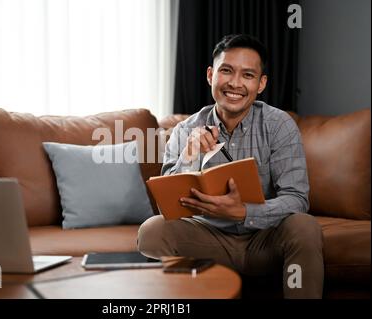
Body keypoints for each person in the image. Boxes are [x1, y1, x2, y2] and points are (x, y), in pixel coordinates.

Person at [137, 34, 324, 299]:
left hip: (265, 240)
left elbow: (297, 199)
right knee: (152, 231)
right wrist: (189, 155)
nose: (235, 83)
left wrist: (244, 212)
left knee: (305, 226)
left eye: (248, 75)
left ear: (261, 84)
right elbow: (167, 210)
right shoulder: (184, 131)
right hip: (208, 241)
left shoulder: (279, 125)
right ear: (211, 75)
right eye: (226, 71)